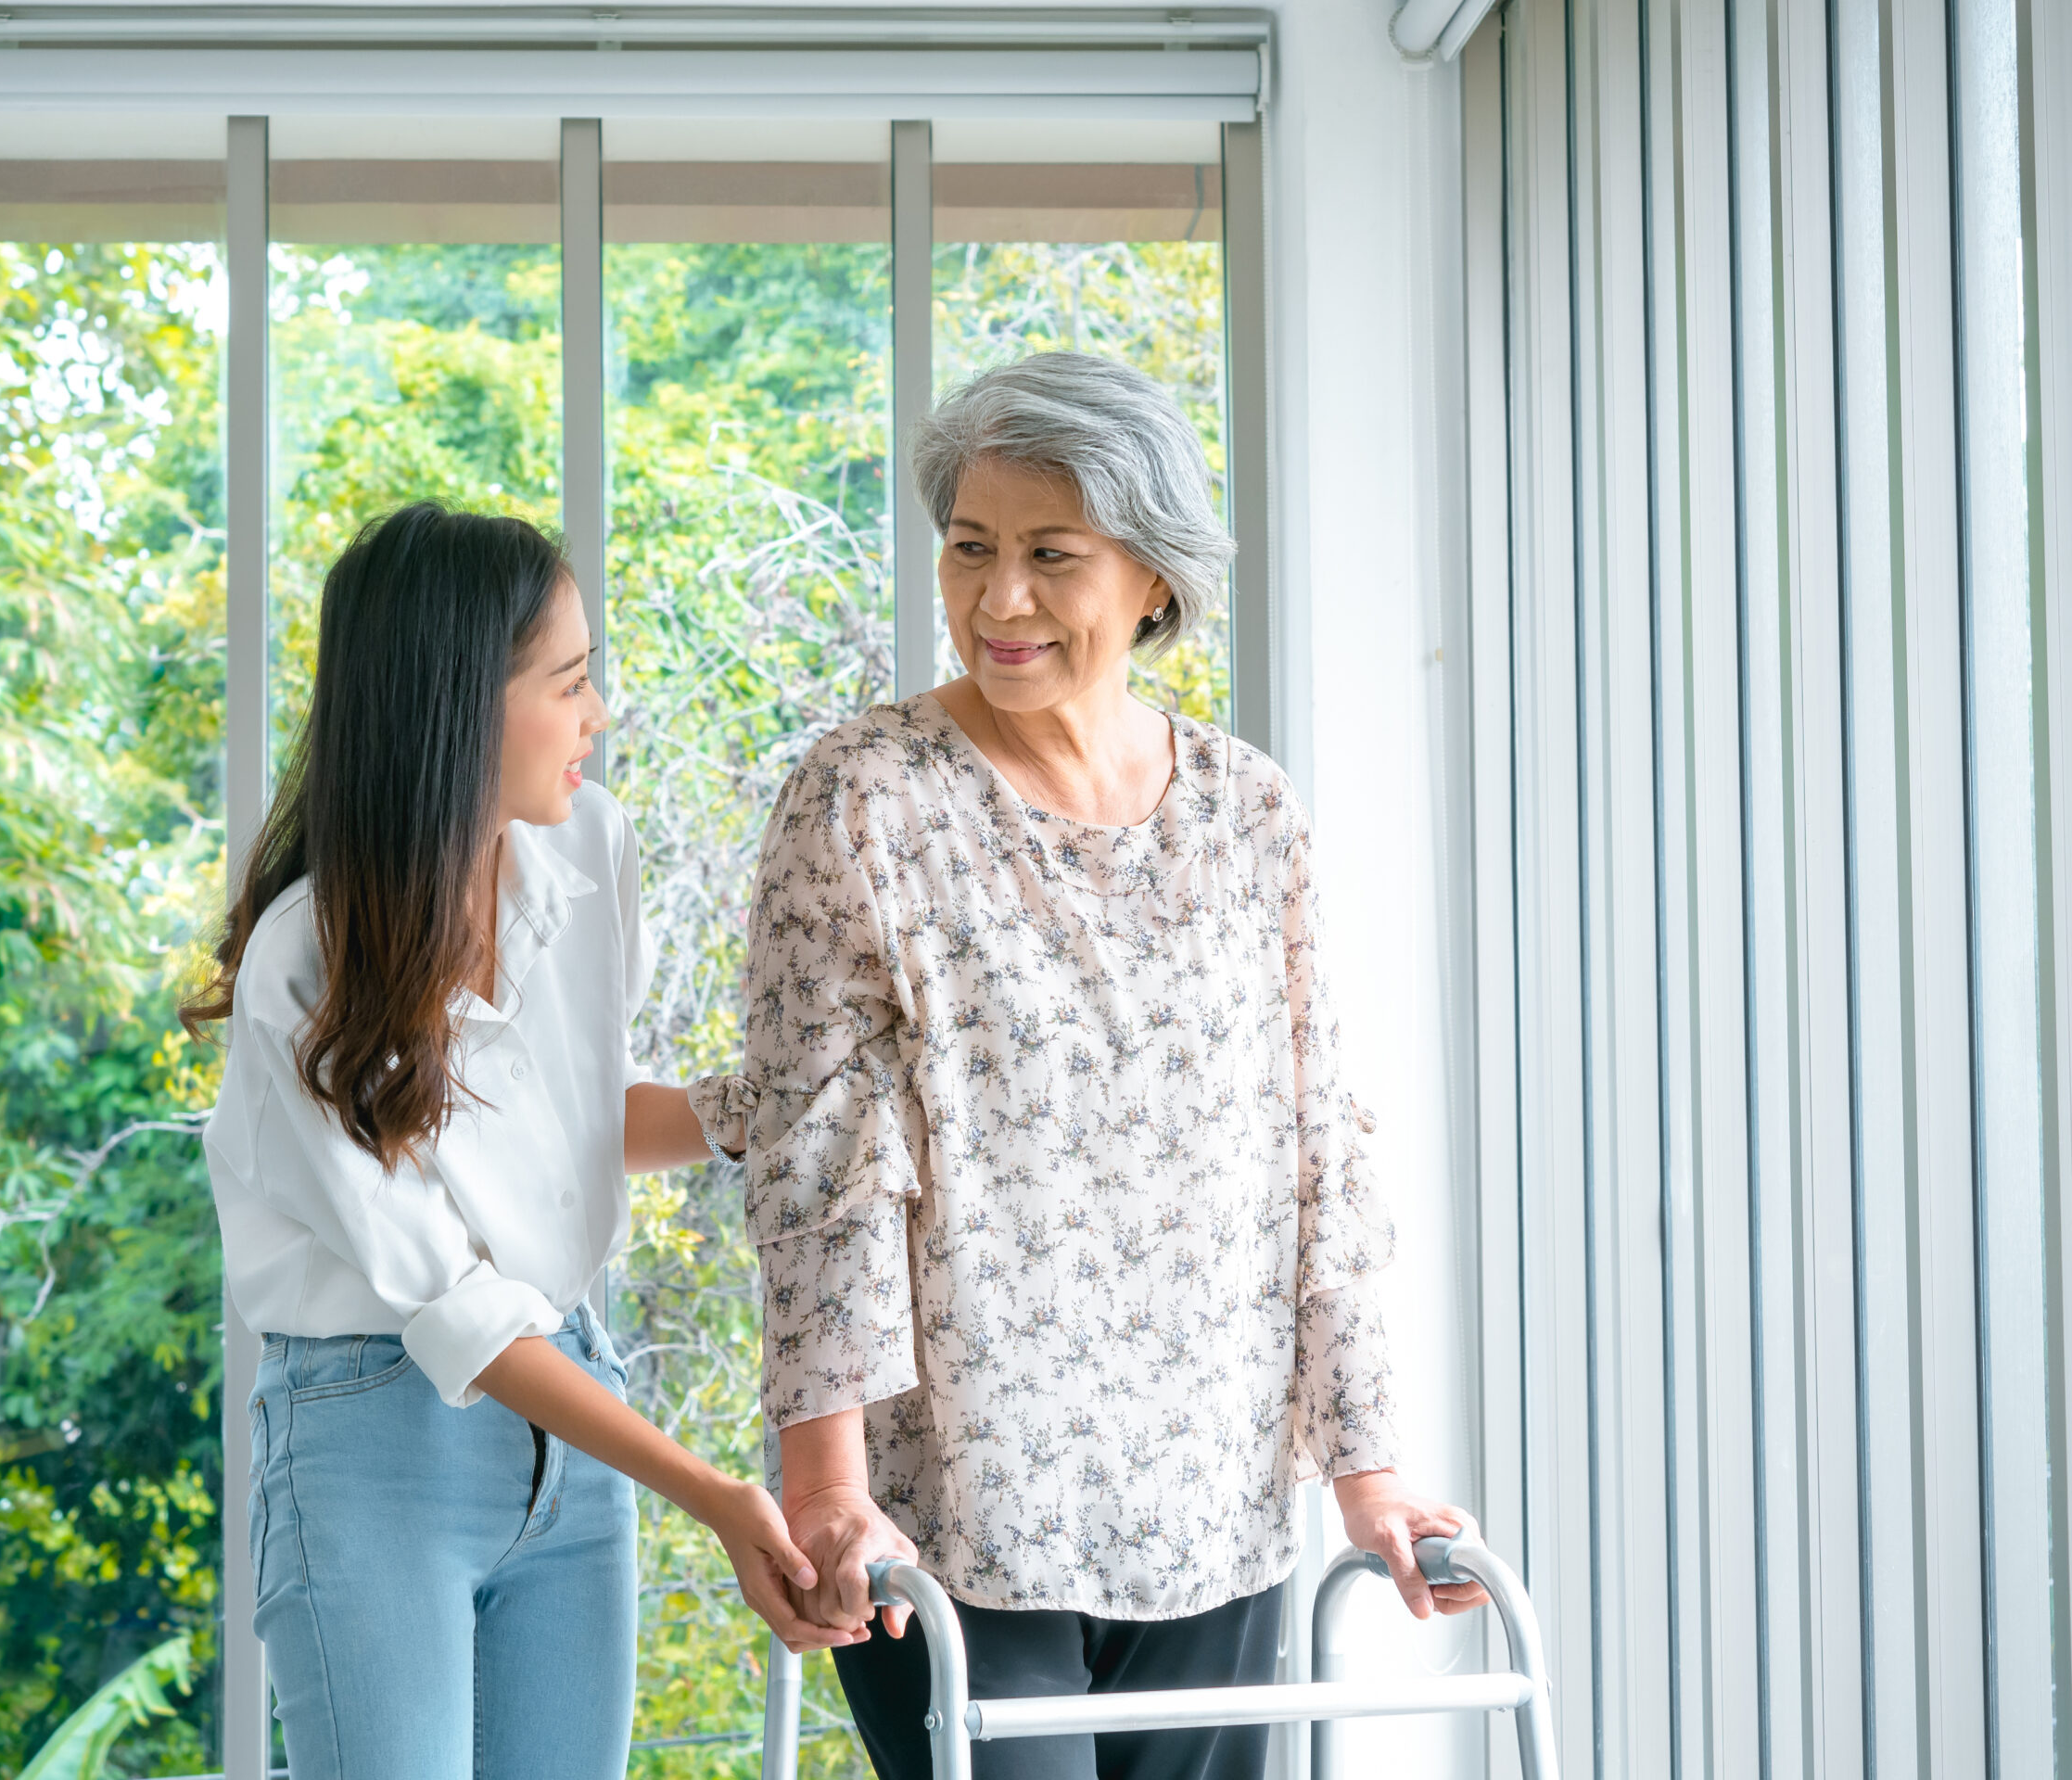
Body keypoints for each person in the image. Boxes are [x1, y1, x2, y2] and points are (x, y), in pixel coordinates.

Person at [693, 353, 1486, 1780]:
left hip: (1214, 1504)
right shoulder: (864, 798)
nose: (1000, 599)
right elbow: (822, 1166)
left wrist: (1368, 1473)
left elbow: (1314, 1143)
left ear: (1153, 579)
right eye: (969, 548)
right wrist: (827, 1489)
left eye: (1052, 556)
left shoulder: (1248, 812)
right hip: (960, 1516)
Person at [183, 503, 845, 1780]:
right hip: (374, 1441)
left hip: (572, 1423)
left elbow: (572, 1125)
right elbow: (460, 1313)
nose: (601, 713)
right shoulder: (305, 963)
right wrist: (715, 1495)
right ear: (455, 707)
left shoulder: (588, 846)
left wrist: (753, 1107)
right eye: (569, 682)